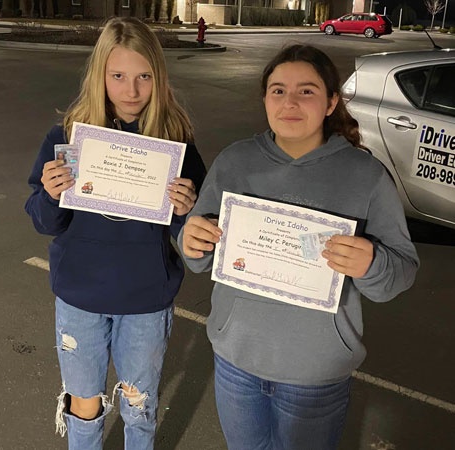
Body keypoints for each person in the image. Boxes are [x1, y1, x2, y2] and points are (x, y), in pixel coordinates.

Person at [179, 45, 419, 450]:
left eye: (306, 91)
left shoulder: (366, 176)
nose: (289, 102)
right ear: (264, 99)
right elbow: (198, 255)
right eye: (277, 91)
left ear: (331, 103)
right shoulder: (235, 162)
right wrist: (192, 239)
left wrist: (373, 262)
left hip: (315, 375)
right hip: (236, 362)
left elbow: (401, 272)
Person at [25, 17, 206, 450]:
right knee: (84, 405)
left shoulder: (174, 143)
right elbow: (42, 220)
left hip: (145, 302)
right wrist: (51, 196)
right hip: (80, 300)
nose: (131, 90)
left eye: (144, 77)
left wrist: (188, 210)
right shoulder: (67, 137)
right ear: (99, 76)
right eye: (118, 76)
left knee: (138, 406)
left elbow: (191, 233)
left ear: (159, 79)